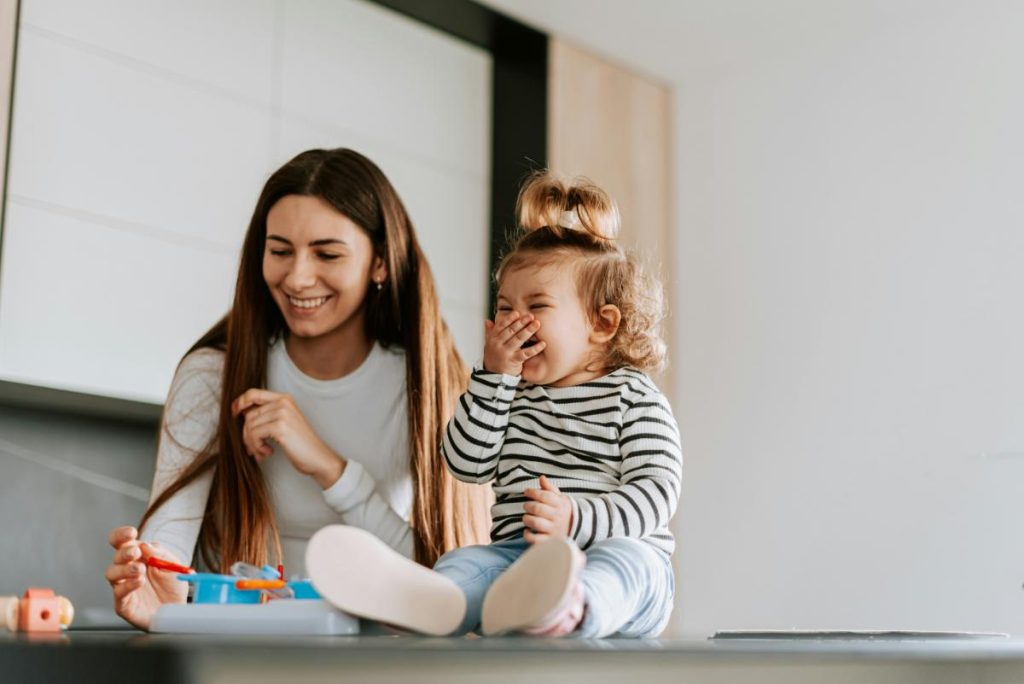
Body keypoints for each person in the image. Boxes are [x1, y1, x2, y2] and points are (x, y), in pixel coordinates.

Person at [103, 148, 491, 630]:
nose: (297, 277)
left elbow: (446, 587)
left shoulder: (431, 386)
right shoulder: (212, 373)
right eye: (280, 251)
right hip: (253, 647)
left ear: (381, 264)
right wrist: (158, 591)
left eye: (327, 253)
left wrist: (332, 470)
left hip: (387, 655)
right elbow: (169, 547)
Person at [306, 172, 681, 638]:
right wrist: (493, 379)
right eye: (504, 307)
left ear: (601, 325)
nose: (514, 321)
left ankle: (573, 606)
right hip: (516, 558)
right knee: (465, 562)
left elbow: (656, 493)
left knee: (630, 567)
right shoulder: (509, 392)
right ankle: (428, 601)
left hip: (610, 549)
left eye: (537, 307)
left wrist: (576, 519)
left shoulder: (633, 395)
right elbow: (466, 463)